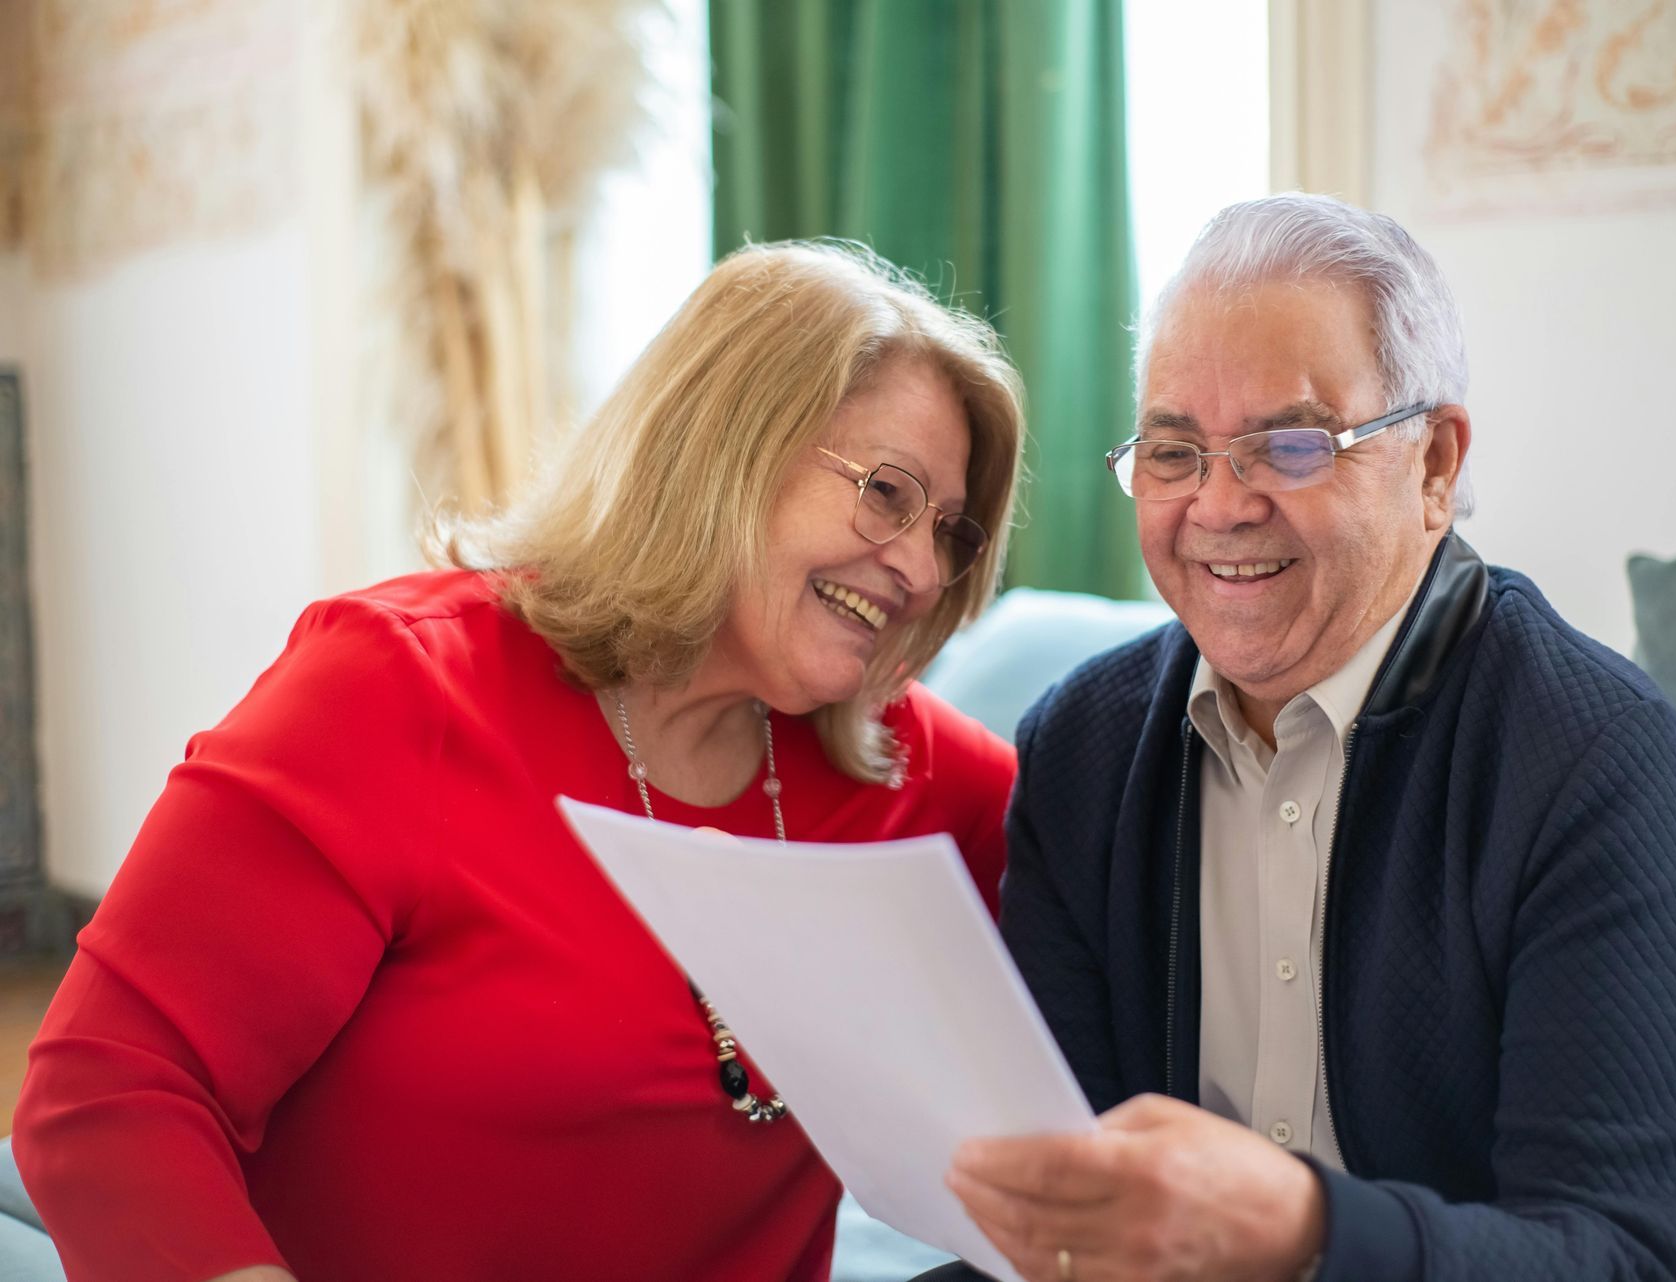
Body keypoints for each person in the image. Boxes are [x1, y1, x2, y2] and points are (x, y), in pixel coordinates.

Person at [15, 241, 1026, 1282]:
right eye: (889, 494)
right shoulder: (397, 689)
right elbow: (109, 1090)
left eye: (951, 531)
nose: (919, 566)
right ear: (729, 446)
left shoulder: (920, 781)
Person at [937, 196, 1676, 1282]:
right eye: (1172, 450)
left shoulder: (1598, 764)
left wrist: (1303, 1227)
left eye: (1288, 444)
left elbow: (1625, 1259)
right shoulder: (1081, 752)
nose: (1219, 504)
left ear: (1434, 464)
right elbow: (1073, 1200)